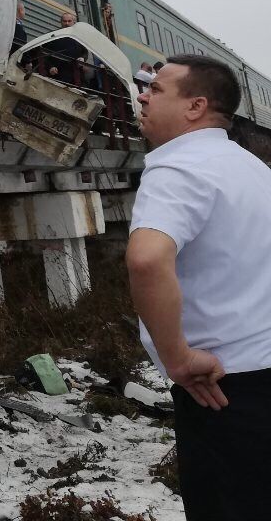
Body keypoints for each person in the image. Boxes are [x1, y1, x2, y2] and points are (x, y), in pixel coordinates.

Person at [127, 54, 271, 519]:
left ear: (196, 107)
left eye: (157, 89)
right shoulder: (251, 168)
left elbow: (147, 259)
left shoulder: (178, 167)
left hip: (225, 390)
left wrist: (178, 359)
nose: (142, 95)